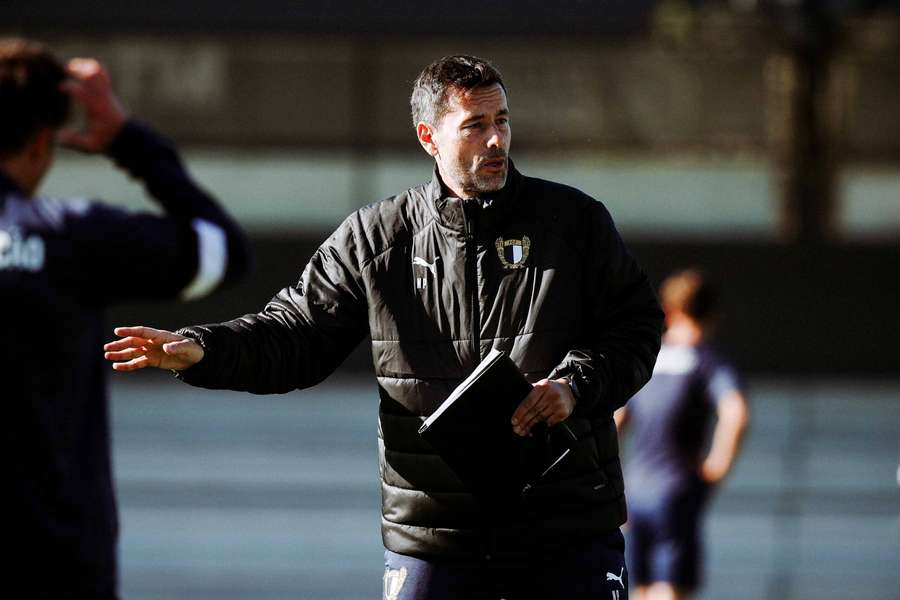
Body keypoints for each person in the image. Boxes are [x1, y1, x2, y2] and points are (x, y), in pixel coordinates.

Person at [104, 55, 663, 600]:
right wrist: (201, 350)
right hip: (435, 538)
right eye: (474, 126)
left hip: (566, 530)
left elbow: (635, 327)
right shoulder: (374, 239)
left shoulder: (575, 221)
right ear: (429, 137)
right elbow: (295, 333)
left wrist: (573, 385)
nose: (496, 141)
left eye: (502, 122)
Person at [0, 39, 251, 598]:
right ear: (42, 142)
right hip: (56, 560)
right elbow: (222, 251)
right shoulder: (71, 234)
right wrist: (128, 141)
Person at [614, 269, 750, 600]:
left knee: (639, 589)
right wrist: (717, 465)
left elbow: (616, 418)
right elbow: (736, 411)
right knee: (670, 590)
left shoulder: (649, 358)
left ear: (670, 311)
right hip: (675, 490)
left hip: (635, 490)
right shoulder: (706, 360)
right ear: (712, 314)